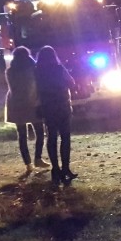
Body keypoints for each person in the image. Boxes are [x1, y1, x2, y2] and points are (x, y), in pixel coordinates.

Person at [35, 46, 77, 185]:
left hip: (47, 107)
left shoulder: (37, 71)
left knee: (51, 137)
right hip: (63, 106)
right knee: (65, 138)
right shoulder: (59, 69)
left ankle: (55, 169)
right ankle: (66, 168)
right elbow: (72, 82)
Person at [5, 46, 50, 174]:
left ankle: (28, 163)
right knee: (40, 132)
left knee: (22, 135)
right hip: (32, 103)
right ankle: (38, 158)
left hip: (16, 104)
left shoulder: (10, 71)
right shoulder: (33, 69)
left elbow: (13, 88)